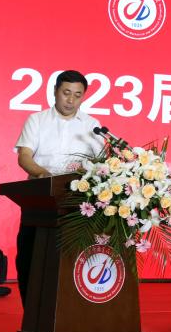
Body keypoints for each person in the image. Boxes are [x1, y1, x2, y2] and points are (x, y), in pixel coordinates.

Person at [14, 70, 104, 304]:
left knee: (70, 260)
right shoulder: (37, 120)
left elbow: (102, 164)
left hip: (76, 203)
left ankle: (68, 311)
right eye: (66, 93)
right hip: (40, 198)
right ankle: (31, 310)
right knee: (30, 256)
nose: (70, 100)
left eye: (77, 95)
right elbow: (24, 156)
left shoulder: (92, 125)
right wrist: (42, 174)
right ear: (55, 91)